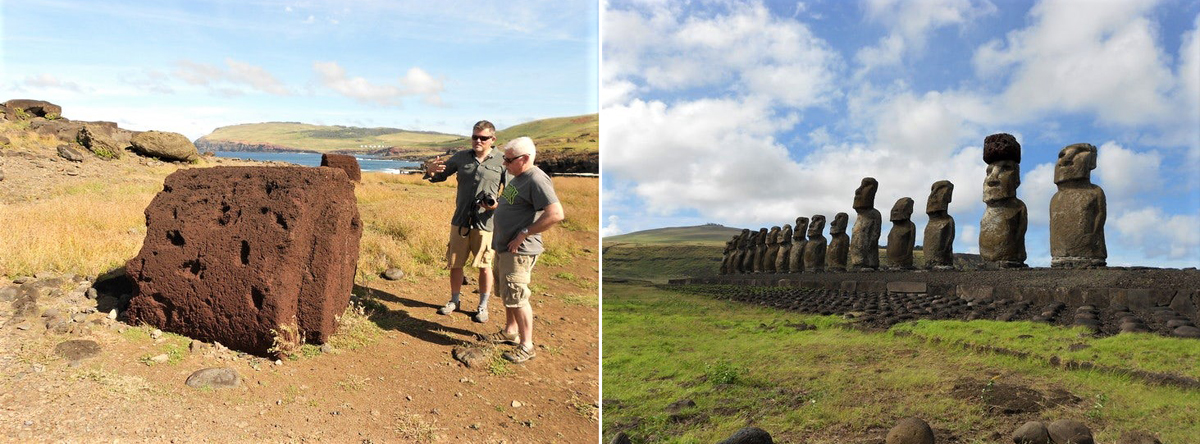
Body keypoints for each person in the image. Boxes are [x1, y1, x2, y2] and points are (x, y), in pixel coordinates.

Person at [485, 136, 564, 363]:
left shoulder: (536, 179)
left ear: (525, 158)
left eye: (509, 160)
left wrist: (524, 233)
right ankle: (510, 331)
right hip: (504, 246)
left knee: (518, 296)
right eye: (504, 160)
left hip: (519, 251)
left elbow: (556, 213)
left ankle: (527, 345)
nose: (505, 165)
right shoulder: (517, 178)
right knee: (508, 293)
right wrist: (492, 206)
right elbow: (506, 204)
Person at [423, 120, 505, 323]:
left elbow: (513, 189)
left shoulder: (503, 160)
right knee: (455, 263)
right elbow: (438, 176)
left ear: (492, 140)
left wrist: (497, 204)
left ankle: (483, 306)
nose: (478, 140)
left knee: (485, 265)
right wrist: (430, 170)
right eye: (475, 136)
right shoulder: (461, 157)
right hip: (460, 221)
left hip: (486, 223)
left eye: (483, 138)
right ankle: (454, 300)